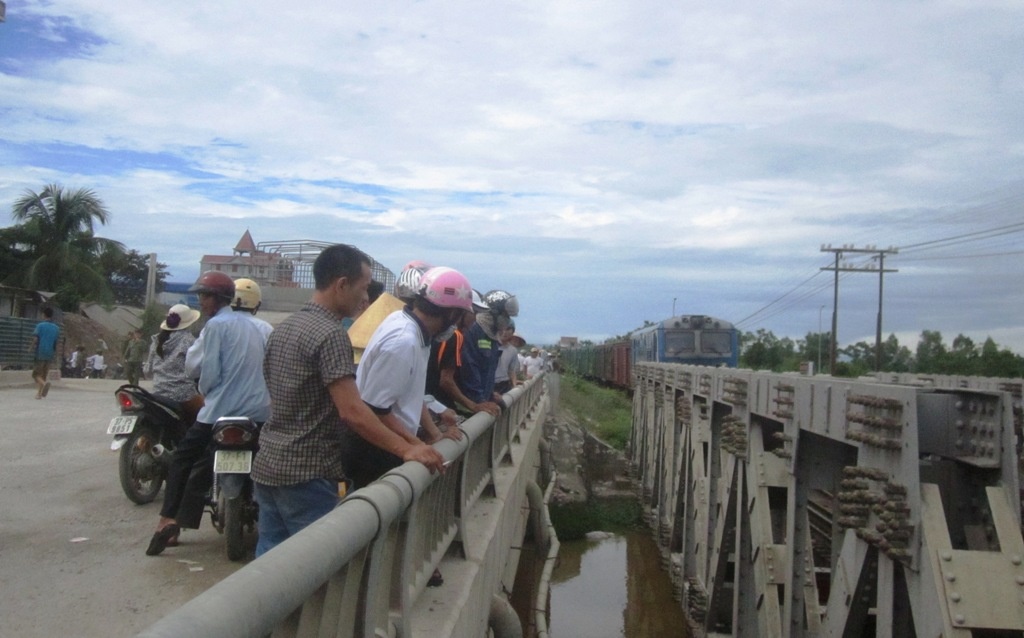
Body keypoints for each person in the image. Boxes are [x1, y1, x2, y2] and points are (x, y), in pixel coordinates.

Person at [252, 244, 445, 557]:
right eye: (363, 287)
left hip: (269, 465)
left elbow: (276, 399)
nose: (366, 298)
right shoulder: (330, 334)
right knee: (317, 567)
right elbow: (353, 412)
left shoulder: (284, 329)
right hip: (307, 474)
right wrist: (408, 448)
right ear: (341, 285)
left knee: (270, 564)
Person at [146, 271, 271, 556]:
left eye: (204, 296)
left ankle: (168, 520)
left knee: (183, 458)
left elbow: (208, 373)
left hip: (218, 413)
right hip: (258, 413)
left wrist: (207, 391)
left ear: (220, 299)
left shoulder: (215, 326)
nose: (201, 301)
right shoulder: (264, 329)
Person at [342, 266, 470, 491]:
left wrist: (434, 435)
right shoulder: (404, 341)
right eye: (458, 317)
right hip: (375, 449)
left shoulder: (416, 331)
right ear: (450, 313)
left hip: (388, 443)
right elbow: (376, 408)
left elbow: (410, 392)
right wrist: (415, 446)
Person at [454, 289, 519, 412]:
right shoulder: (473, 331)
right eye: (505, 316)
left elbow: (487, 372)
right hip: (467, 406)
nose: (507, 320)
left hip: (482, 403)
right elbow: (469, 369)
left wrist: (490, 395)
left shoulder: (492, 336)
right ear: (494, 313)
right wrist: (479, 401)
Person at [146, 304, 204, 424]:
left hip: (158, 393)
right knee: (207, 415)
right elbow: (197, 367)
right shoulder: (189, 340)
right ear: (189, 323)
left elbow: (147, 370)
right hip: (184, 395)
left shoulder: (156, 340)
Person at [29, 307, 60, 399]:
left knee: (36, 374)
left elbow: (36, 338)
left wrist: (30, 348)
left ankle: (44, 383)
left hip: (40, 352)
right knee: (44, 374)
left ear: (44, 314)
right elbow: (56, 342)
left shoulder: (40, 326)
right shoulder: (56, 328)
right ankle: (39, 394)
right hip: (50, 353)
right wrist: (56, 354)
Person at [493, 320, 524, 395]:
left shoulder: (513, 350)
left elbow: (511, 370)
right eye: (502, 329)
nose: (504, 332)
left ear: (512, 332)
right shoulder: (491, 346)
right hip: (489, 382)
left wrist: (514, 385)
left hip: (504, 384)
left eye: (507, 329)